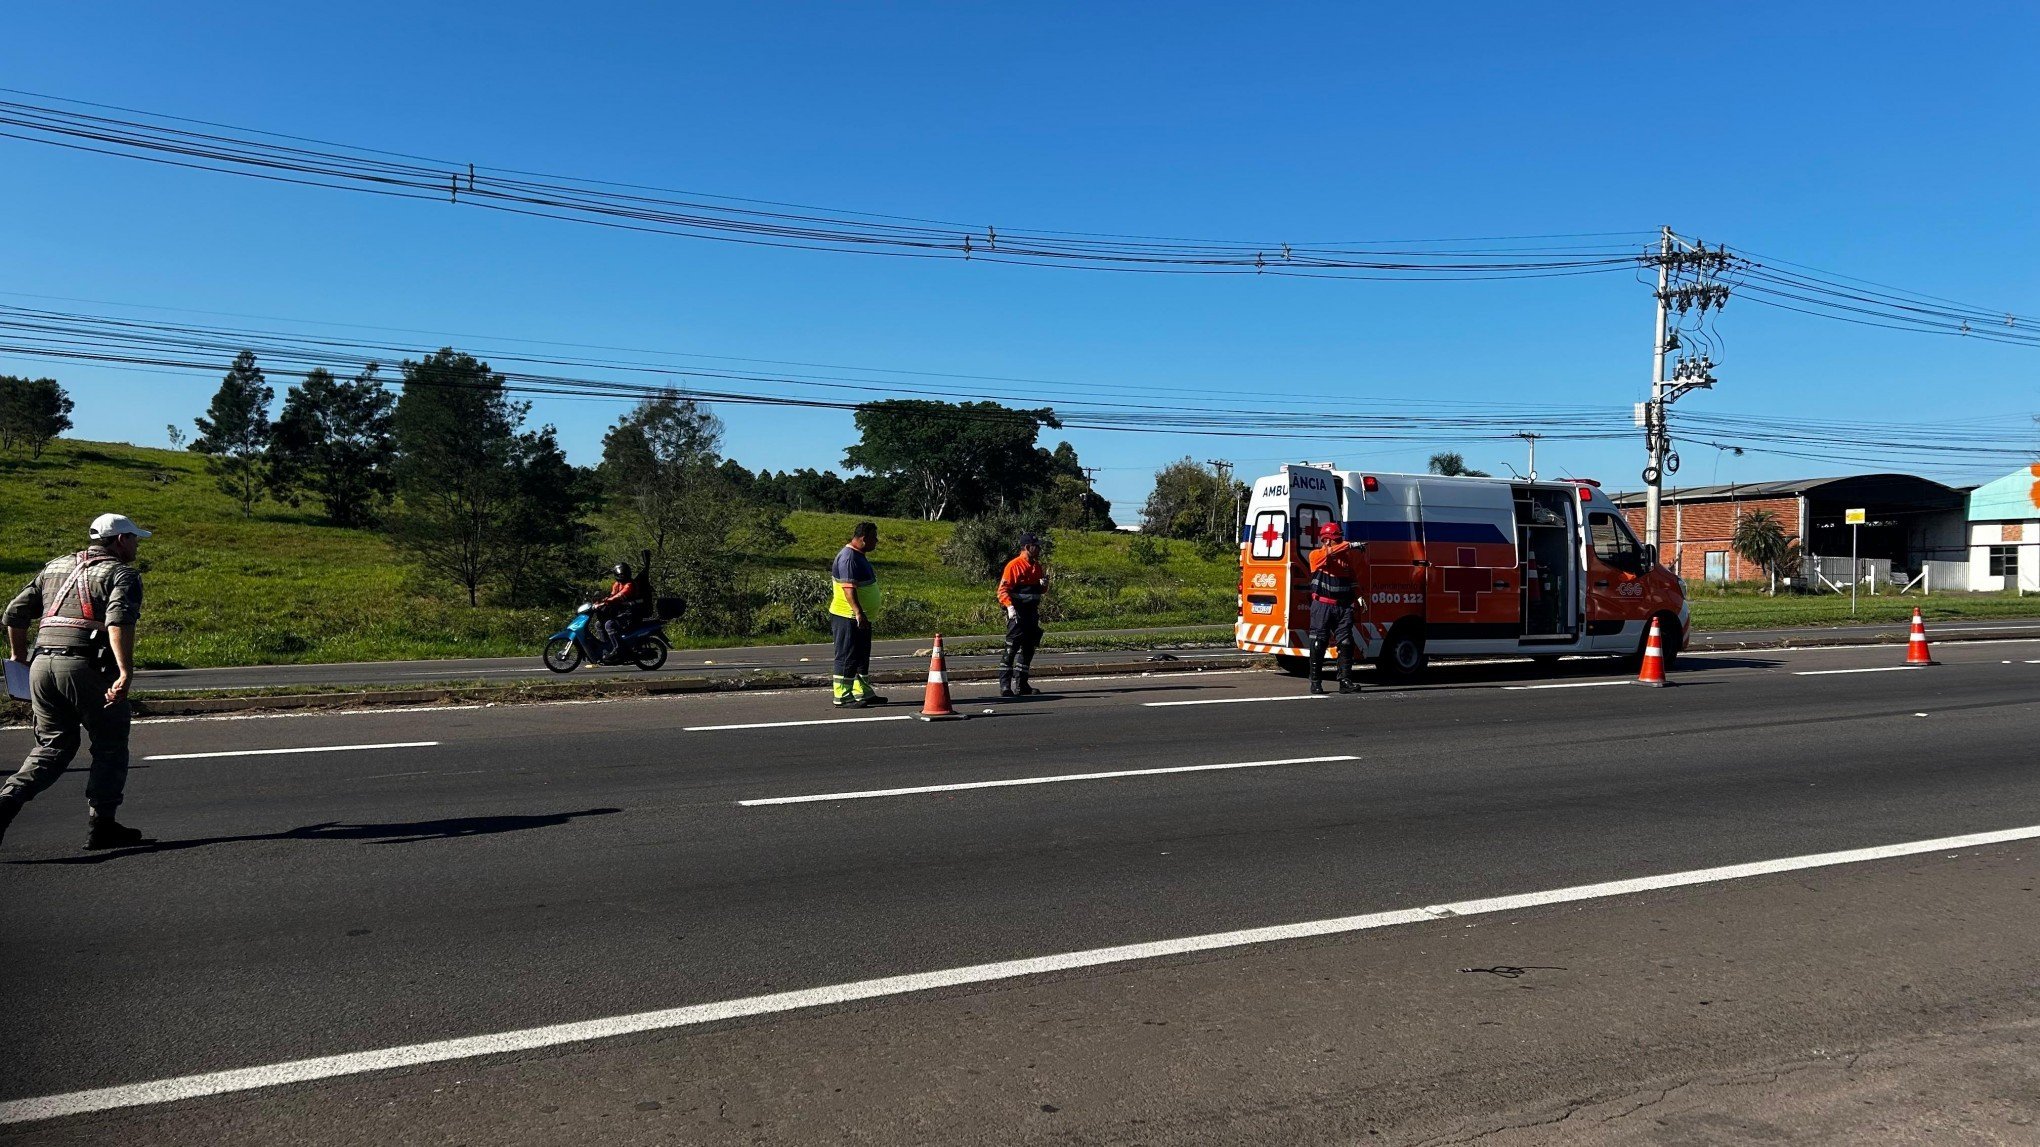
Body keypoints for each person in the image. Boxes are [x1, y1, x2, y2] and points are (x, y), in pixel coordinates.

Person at [1, 513, 152, 850]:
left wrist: (18, 656)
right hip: (87, 667)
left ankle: (6, 801)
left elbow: (14, 612)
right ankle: (103, 825)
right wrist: (125, 671)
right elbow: (119, 623)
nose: (137, 544)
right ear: (119, 540)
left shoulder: (55, 566)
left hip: (41, 667)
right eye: (134, 538)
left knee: (52, 746)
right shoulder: (122, 574)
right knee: (110, 742)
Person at [828, 522, 886, 707]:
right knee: (847, 655)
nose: (876, 541)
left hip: (861, 617)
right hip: (848, 616)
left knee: (861, 656)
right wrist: (858, 613)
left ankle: (862, 691)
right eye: (874, 537)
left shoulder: (858, 556)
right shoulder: (848, 558)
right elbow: (848, 589)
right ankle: (843, 696)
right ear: (864, 538)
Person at [1306, 520, 1366, 696]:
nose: (1340, 542)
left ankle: (1345, 681)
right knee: (1318, 643)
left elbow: (1352, 579)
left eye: (1341, 539)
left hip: (1342, 607)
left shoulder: (1345, 560)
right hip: (1322, 606)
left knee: (1346, 643)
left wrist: (1359, 596)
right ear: (1326, 540)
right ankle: (1316, 682)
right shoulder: (1316, 556)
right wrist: (1351, 545)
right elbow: (1330, 553)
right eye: (1336, 539)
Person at [997, 532, 1047, 698]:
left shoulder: (1037, 566)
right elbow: (1002, 590)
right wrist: (1009, 607)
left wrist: (1043, 586)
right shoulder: (1014, 565)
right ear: (1027, 547)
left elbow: (1039, 591)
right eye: (1036, 546)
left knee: (1028, 649)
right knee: (1011, 649)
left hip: (1032, 614)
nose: (1039, 549)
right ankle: (1005, 686)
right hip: (1018, 614)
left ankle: (1022, 684)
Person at [590, 562, 651, 661]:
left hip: (631, 614)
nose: (623, 575)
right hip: (621, 613)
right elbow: (612, 595)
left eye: (624, 573)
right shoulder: (617, 584)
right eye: (621, 574)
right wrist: (599, 601)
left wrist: (606, 601)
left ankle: (618, 649)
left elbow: (618, 597)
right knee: (599, 624)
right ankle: (607, 647)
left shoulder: (630, 585)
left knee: (609, 625)